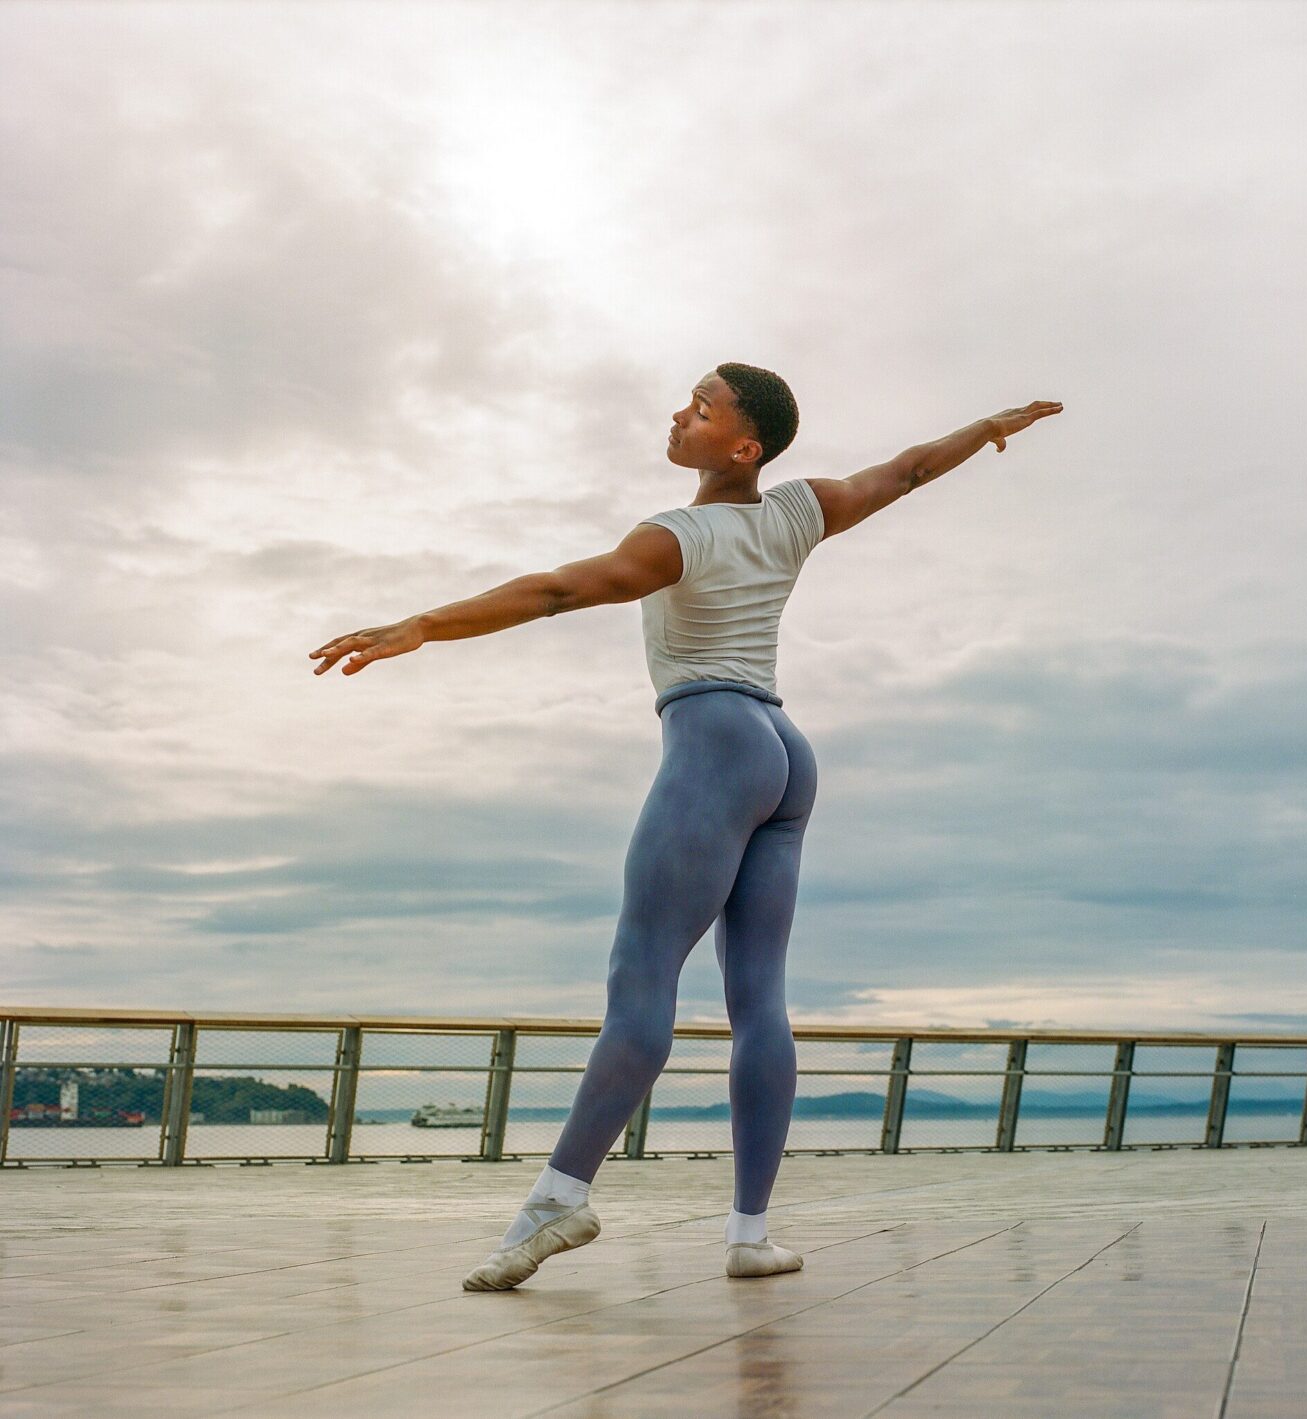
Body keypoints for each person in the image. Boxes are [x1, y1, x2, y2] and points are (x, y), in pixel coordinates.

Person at [309, 363, 1062, 1290]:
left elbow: (557, 590)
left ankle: (560, 1198)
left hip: (714, 741)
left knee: (642, 977)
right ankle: (749, 1233)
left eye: (701, 410)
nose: (680, 414)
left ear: (742, 446)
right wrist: (984, 424)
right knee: (759, 1003)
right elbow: (903, 472)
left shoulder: (679, 536)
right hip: (785, 753)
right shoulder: (798, 510)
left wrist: (423, 624)